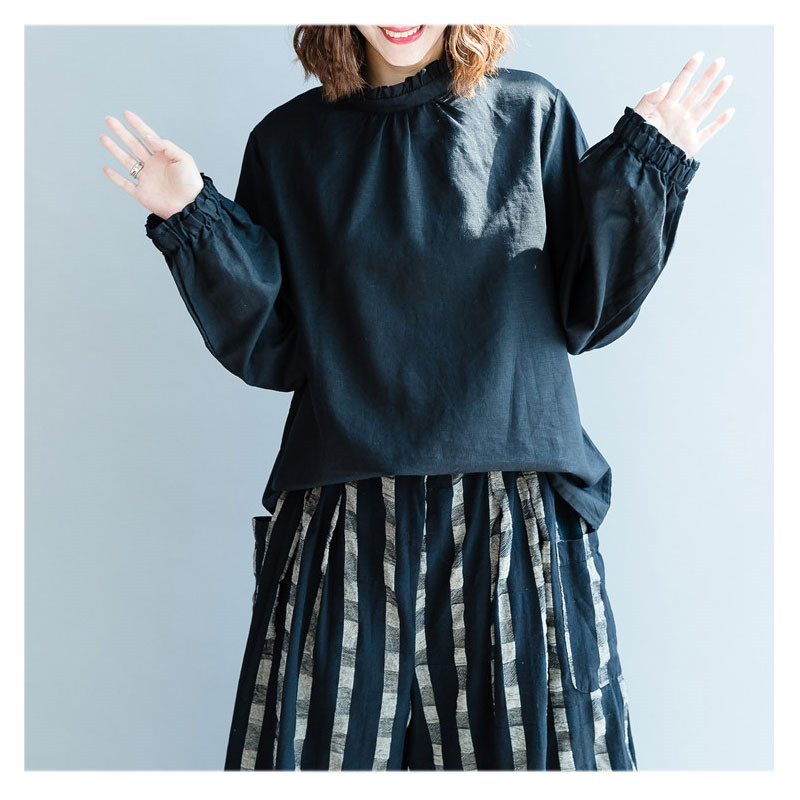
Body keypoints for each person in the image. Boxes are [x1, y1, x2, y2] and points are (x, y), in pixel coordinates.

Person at [99, 24, 734, 771]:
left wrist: (646, 166)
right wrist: (191, 216)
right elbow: (275, 345)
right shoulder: (288, 142)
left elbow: (585, 308)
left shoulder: (532, 113)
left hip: (514, 518)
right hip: (342, 522)